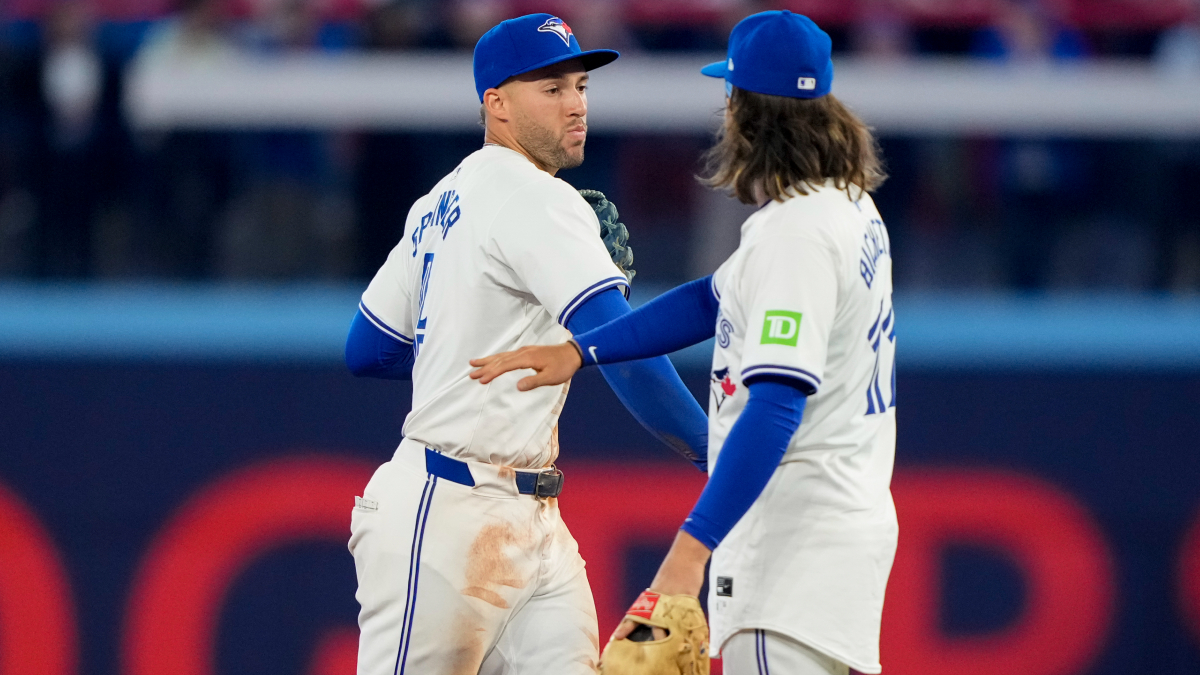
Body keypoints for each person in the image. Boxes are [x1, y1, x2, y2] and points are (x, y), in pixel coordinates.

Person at [470, 11, 898, 675]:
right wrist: (583, 350)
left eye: (731, 96)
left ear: (750, 112)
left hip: (793, 544)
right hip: (840, 529)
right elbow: (711, 297)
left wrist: (687, 553)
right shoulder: (842, 206)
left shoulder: (797, 234)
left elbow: (777, 405)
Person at [343, 13, 709, 675]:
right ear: (497, 103)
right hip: (446, 514)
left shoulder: (439, 201)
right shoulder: (538, 199)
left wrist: (473, 342)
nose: (575, 104)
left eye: (579, 86)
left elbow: (368, 348)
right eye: (551, 89)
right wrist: (720, 457)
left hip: (532, 522)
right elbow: (626, 359)